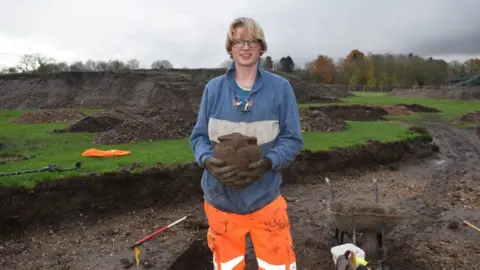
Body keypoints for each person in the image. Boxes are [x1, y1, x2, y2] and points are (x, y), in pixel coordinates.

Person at [189, 16, 304, 270]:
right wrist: (208, 162)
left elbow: (292, 139)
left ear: (261, 47)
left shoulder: (281, 88)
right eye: (238, 41)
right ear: (230, 47)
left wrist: (267, 163)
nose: (245, 46)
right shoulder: (214, 89)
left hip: (265, 199)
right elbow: (198, 137)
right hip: (221, 201)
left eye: (252, 40)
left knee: (277, 266)